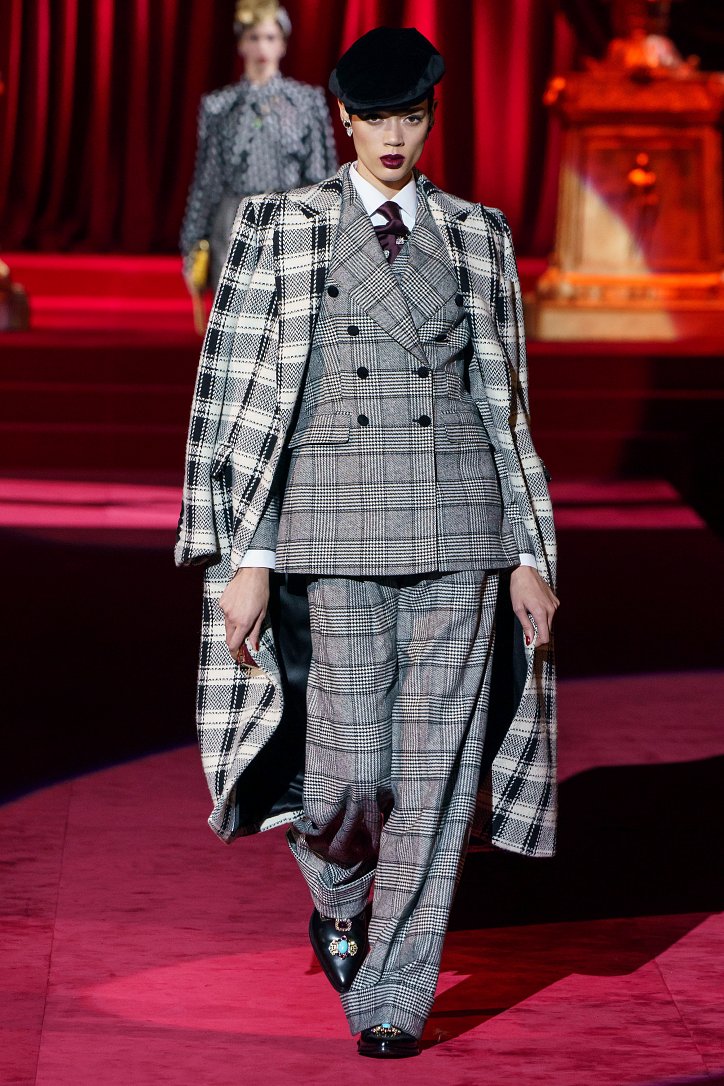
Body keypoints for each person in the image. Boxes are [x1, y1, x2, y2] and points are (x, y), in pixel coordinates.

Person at [176, 26, 559, 1059]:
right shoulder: (280, 226)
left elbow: (505, 404)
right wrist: (248, 557)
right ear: (343, 118)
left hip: (460, 529)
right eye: (377, 118)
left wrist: (528, 550)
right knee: (351, 775)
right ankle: (340, 894)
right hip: (333, 528)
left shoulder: (477, 233)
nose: (395, 137)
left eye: (413, 117)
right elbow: (242, 402)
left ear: (432, 119)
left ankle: (395, 990)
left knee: (434, 780)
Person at [179, 0, 337, 291]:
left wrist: (328, 235)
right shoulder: (220, 106)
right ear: (241, 43)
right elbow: (208, 179)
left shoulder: (306, 103)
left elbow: (322, 177)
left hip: (289, 224)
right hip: (232, 225)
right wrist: (192, 244)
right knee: (233, 311)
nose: (262, 46)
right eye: (254, 37)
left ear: (283, 44)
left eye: (270, 37)